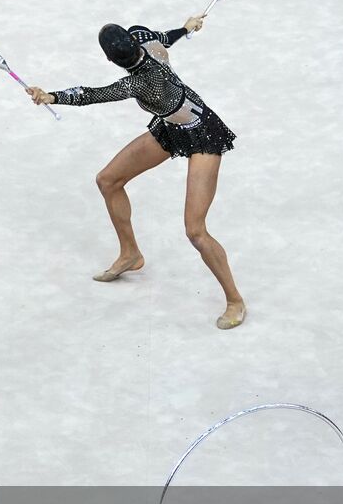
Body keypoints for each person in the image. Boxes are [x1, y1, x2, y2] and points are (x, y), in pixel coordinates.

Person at [25, 18, 245, 329]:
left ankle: (235, 300)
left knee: (195, 231)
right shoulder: (147, 40)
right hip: (170, 128)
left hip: (202, 133)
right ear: (133, 40)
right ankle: (130, 254)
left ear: (110, 59)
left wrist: (52, 96)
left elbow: (93, 94)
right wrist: (186, 28)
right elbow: (165, 37)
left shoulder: (138, 83)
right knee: (108, 180)